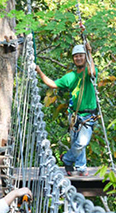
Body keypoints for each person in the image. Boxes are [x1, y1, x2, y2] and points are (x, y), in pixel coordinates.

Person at [35, 39, 98, 176]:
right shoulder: (70, 76)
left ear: (85, 57)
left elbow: (92, 73)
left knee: (81, 142)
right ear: (73, 59)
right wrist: (39, 72)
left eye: (81, 55)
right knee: (77, 142)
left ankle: (67, 159)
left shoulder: (89, 71)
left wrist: (89, 53)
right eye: (76, 56)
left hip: (88, 115)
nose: (78, 58)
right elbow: (52, 84)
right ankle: (81, 167)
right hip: (75, 114)